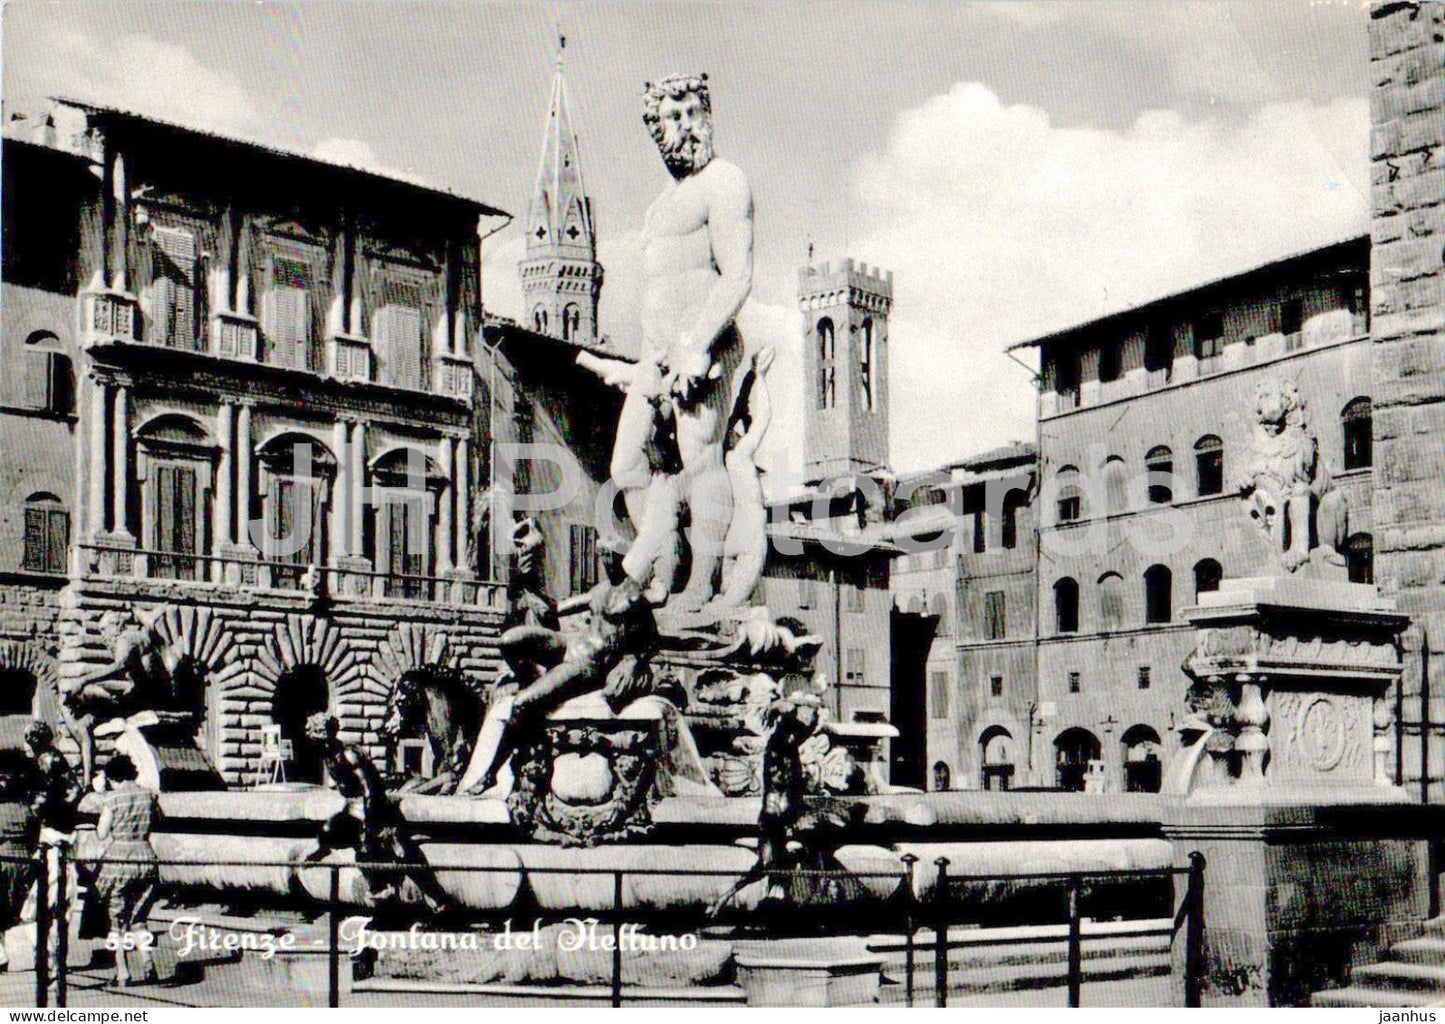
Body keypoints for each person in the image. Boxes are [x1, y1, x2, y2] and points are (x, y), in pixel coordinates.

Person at [596, 73, 754, 612]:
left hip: (703, 348)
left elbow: (737, 275)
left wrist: (697, 344)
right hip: (657, 354)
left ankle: (702, 586)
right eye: (673, 117)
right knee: (627, 466)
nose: (686, 127)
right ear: (654, 129)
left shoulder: (726, 180)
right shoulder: (662, 203)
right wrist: (642, 364)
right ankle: (664, 567)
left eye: (693, 113)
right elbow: (659, 289)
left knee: (702, 463)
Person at [302, 713, 451, 915]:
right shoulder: (329, 756)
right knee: (330, 831)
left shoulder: (349, 753)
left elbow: (370, 790)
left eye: (316, 737)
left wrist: (368, 824)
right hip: (353, 807)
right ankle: (377, 890)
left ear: (326, 734)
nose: (314, 743)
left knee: (401, 853)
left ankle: (438, 902)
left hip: (376, 807)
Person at [91, 754, 159, 986]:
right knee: (139, 917)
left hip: (119, 861)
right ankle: (149, 964)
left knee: (117, 920)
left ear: (111, 777)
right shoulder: (148, 795)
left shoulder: (113, 798)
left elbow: (101, 833)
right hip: (146, 857)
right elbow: (158, 820)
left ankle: (123, 971)